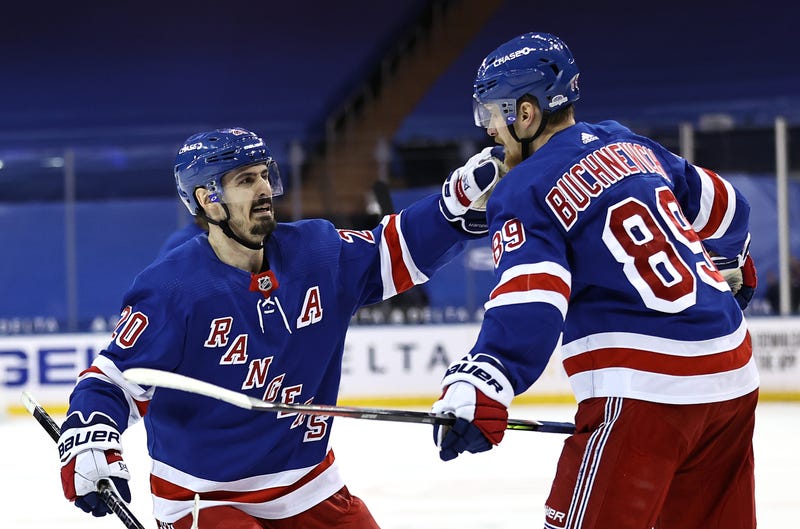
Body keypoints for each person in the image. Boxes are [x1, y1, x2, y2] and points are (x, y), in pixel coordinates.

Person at [56, 127, 505, 528]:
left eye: (265, 174)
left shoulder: (318, 252)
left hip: (308, 483)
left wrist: (454, 205)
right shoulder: (171, 288)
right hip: (203, 495)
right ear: (206, 199)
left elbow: (396, 248)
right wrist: (91, 437)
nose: (265, 188)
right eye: (245, 180)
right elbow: (113, 379)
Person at [430, 32, 759, 529]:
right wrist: (730, 262)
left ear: (526, 113)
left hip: (645, 394)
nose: (488, 129)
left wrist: (484, 380)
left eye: (492, 113)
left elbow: (531, 298)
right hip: (734, 376)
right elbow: (725, 203)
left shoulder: (524, 188)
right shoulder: (627, 141)